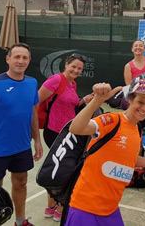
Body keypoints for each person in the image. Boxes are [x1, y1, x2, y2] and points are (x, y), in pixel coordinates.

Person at [66, 79, 145, 226]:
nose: (144, 108)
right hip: (85, 207)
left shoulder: (137, 129)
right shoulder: (112, 120)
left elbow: (130, 159)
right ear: (130, 99)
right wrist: (97, 101)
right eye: (140, 102)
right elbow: (75, 128)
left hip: (110, 209)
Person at [0, 43, 43, 226]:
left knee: (21, 182)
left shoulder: (32, 83)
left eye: (25, 57)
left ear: (29, 60)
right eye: (17, 57)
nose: (20, 61)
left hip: (22, 147)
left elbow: (33, 114)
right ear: (8, 59)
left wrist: (37, 140)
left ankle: (20, 221)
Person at [37, 53, 93, 221]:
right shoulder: (56, 79)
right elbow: (36, 100)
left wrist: (84, 100)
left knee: (58, 167)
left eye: (79, 69)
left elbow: (70, 104)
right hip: (54, 132)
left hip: (68, 131)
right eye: (73, 66)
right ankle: (59, 207)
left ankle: (53, 206)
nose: (76, 70)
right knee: (64, 168)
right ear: (66, 64)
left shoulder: (72, 83)